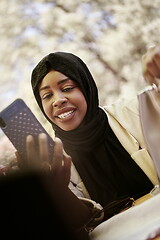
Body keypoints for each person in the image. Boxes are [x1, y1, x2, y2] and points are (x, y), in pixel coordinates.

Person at [15, 49, 160, 239]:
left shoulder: (134, 113)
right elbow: (83, 225)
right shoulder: (53, 158)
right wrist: (55, 190)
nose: (58, 100)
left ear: (87, 87)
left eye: (67, 88)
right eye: (47, 96)